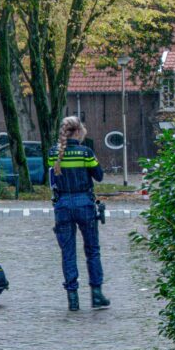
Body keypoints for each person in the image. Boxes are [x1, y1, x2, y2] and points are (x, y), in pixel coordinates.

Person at [49, 116, 111, 311]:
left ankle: (73, 298)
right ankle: (96, 294)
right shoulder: (86, 153)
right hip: (84, 204)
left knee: (68, 252)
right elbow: (99, 176)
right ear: (78, 132)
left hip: (63, 205)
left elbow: (51, 178)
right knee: (92, 250)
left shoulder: (53, 153)